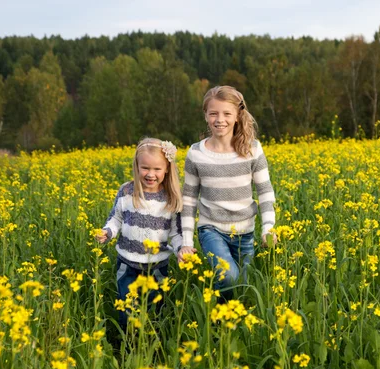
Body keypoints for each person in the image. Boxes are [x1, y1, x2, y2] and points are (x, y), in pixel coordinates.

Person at [178, 85, 277, 301]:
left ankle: (223, 325)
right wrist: (187, 241)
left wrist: (268, 228)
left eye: (226, 114)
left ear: (237, 116)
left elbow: (265, 191)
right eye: (213, 113)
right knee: (229, 277)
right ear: (205, 115)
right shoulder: (196, 154)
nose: (219, 119)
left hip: (246, 231)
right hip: (211, 229)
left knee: (243, 288)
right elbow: (188, 200)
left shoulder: (252, 149)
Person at [96, 137, 185, 330]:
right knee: (126, 308)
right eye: (145, 168)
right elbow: (116, 218)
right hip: (127, 263)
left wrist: (181, 249)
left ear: (167, 169)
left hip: (157, 265)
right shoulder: (127, 191)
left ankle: (154, 347)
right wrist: (107, 232)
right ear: (136, 166)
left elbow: (177, 233)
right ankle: (129, 344)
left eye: (156, 169)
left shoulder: (171, 197)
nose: (150, 174)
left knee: (156, 310)